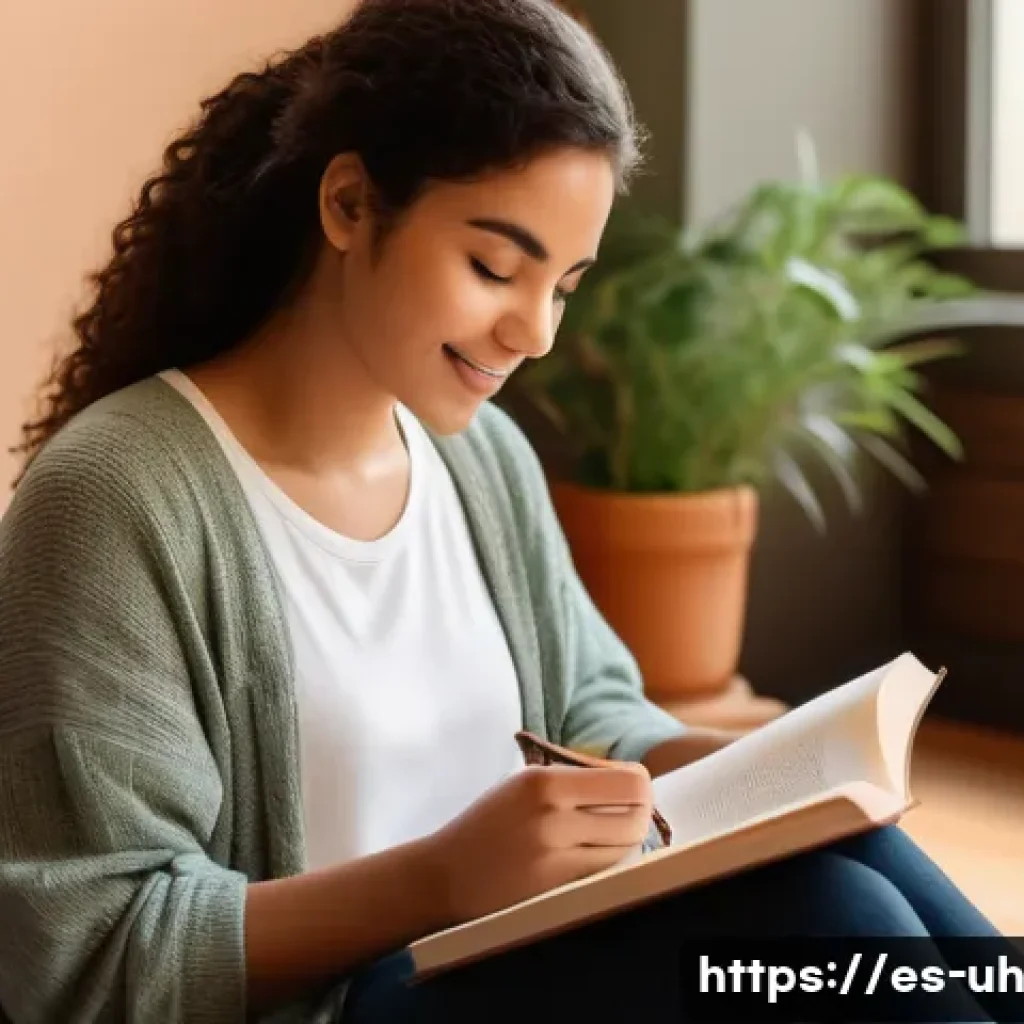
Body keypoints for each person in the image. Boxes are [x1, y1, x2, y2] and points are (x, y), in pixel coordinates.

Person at [0, 1, 1017, 1022]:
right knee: (832, 920)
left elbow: (589, 713)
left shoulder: (480, 456)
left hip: (519, 954)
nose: (534, 332)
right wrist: (443, 877)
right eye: (494, 268)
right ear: (349, 204)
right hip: (350, 1004)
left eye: (563, 286)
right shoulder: (117, 498)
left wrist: (745, 780)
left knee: (850, 856)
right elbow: (90, 950)